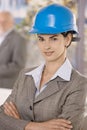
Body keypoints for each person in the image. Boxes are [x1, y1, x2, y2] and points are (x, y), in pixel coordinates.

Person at [0, 3, 87, 130]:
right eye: (41, 39)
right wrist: (33, 126)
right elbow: (1, 117)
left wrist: (17, 123)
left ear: (67, 39)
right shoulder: (25, 76)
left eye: (53, 39)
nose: (46, 46)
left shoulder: (79, 83)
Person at [0, 11, 27, 89]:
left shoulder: (19, 39)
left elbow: (18, 65)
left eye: (4, 21)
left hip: (6, 87)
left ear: (12, 22)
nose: (1, 24)